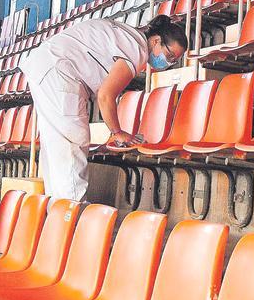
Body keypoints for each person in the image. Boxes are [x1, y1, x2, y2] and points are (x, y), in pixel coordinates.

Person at [20, 14, 187, 202]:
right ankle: (72, 213)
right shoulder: (137, 49)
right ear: (156, 40)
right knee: (72, 143)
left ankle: (58, 213)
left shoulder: (128, 35)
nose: (168, 62)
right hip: (59, 73)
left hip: (46, 67)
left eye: (173, 60)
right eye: (169, 55)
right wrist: (117, 132)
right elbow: (106, 96)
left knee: (56, 148)